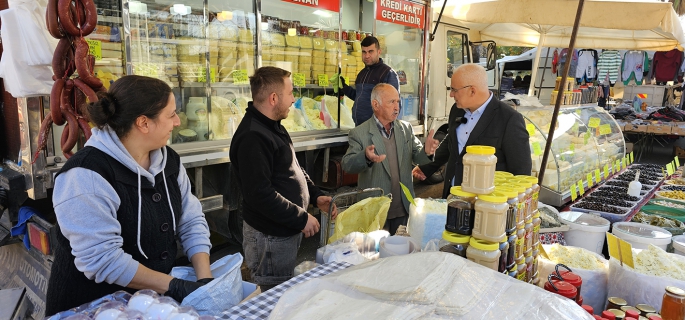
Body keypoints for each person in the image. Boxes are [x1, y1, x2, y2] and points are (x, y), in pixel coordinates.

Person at [46, 76, 213, 314]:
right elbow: (103, 260)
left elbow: (191, 220)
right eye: (171, 114)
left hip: (149, 304)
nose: (177, 122)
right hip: (91, 309)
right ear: (144, 123)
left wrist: (204, 280)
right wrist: (175, 286)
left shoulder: (169, 161)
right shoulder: (86, 175)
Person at [230, 67, 337, 291]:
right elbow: (260, 194)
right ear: (273, 98)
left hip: (283, 231)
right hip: (269, 239)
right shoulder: (253, 136)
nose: (294, 99)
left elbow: (293, 168)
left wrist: (316, 197)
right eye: (290, 93)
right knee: (274, 299)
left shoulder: (272, 126)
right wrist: (301, 218)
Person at [413, 64, 532, 198]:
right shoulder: (456, 110)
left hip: (484, 203)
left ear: (472, 91)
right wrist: (427, 167)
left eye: (454, 90)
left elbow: (521, 172)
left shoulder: (509, 119)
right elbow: (451, 143)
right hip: (452, 195)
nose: (451, 94)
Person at [342, 84, 439, 235]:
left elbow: (417, 155)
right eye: (391, 102)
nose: (397, 107)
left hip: (403, 209)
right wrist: (365, 157)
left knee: (402, 253)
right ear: (376, 105)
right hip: (375, 212)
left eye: (398, 102)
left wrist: (427, 151)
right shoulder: (359, 133)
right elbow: (347, 164)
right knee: (377, 256)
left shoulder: (405, 129)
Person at [341, 36, 400, 126]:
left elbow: (395, 106)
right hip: (360, 127)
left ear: (379, 52)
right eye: (364, 52)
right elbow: (358, 96)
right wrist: (344, 87)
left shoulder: (387, 73)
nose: (367, 55)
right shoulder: (361, 74)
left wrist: (384, 129)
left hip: (377, 130)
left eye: (370, 51)